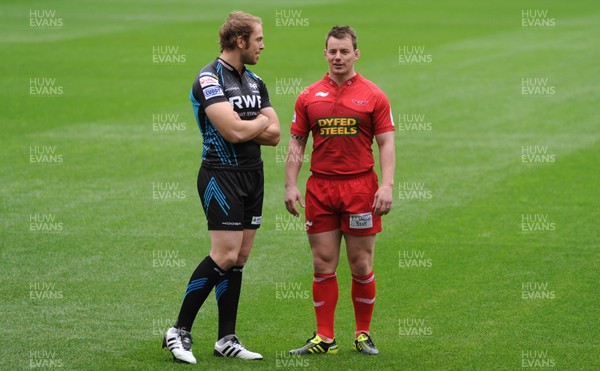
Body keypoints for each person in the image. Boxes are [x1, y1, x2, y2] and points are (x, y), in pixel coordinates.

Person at [163, 11, 280, 364]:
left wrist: (247, 122)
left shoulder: (256, 81)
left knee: (239, 259)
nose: (263, 45)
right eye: (258, 39)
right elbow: (231, 132)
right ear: (240, 40)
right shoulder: (209, 78)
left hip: (253, 175)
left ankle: (226, 339)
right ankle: (179, 330)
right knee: (224, 254)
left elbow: (275, 136)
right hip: (221, 175)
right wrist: (256, 121)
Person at [284, 25, 395, 356]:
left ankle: (362, 333)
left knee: (360, 263)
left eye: (344, 51)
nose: (338, 57)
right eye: (332, 51)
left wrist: (387, 184)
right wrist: (290, 184)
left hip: (360, 188)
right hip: (321, 188)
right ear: (325, 53)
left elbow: (386, 143)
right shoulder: (308, 96)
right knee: (322, 262)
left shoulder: (374, 95)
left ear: (356, 54)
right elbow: (296, 143)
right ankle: (325, 337)